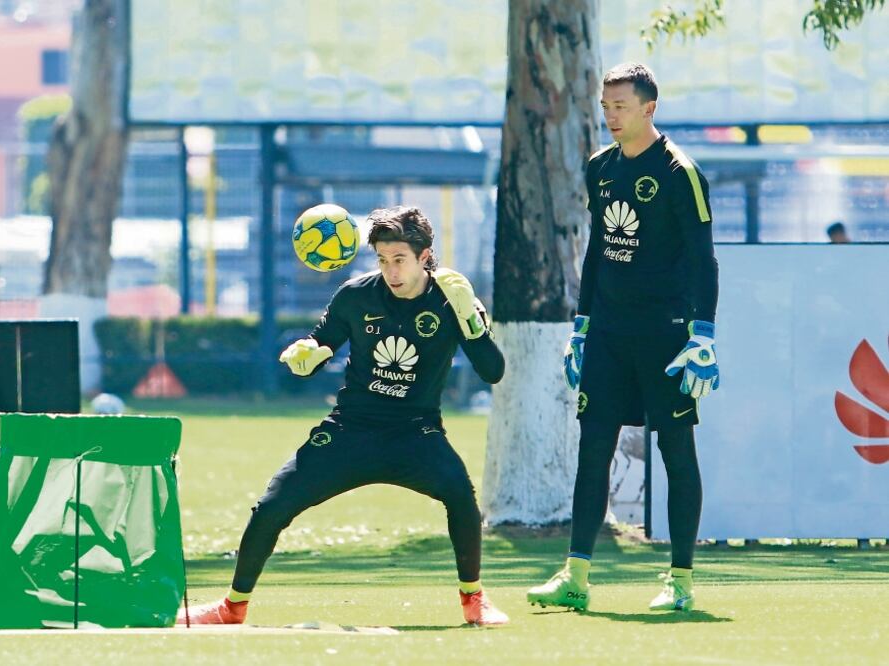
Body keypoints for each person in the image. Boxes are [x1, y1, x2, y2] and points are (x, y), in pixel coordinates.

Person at [179, 206, 509, 626]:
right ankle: (232, 607)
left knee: (461, 498)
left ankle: (473, 600)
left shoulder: (452, 298)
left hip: (416, 433)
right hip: (350, 429)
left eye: (400, 260)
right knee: (271, 506)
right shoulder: (355, 295)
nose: (391, 271)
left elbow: (493, 372)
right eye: (383, 260)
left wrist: (472, 323)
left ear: (425, 256)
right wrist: (307, 356)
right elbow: (322, 343)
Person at [526, 62, 720, 613]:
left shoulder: (680, 172)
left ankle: (680, 581)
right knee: (593, 451)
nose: (610, 116)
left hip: (666, 335)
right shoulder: (599, 168)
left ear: (649, 108)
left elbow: (705, 261)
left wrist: (702, 333)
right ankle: (576, 577)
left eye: (621, 107)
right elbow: (596, 249)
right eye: (606, 106)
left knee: (676, 451)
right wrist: (581, 326)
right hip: (609, 334)